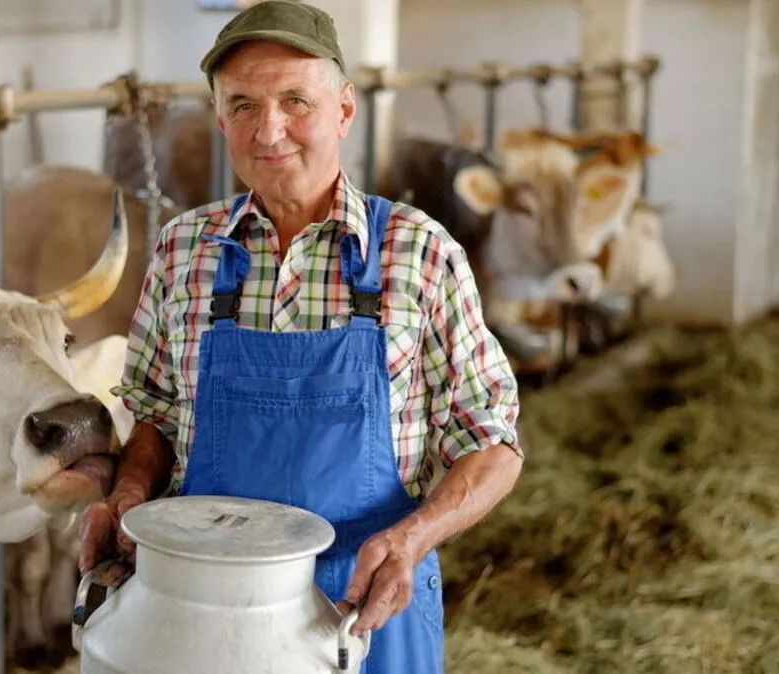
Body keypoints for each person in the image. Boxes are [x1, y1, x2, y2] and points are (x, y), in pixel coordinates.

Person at [79, 1, 524, 670]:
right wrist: (129, 496)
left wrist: (414, 538)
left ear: (345, 110)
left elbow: (492, 444)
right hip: (203, 613)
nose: (270, 130)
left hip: (366, 609)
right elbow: (156, 417)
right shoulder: (183, 252)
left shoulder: (420, 255)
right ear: (221, 118)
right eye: (243, 105)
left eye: (296, 101)